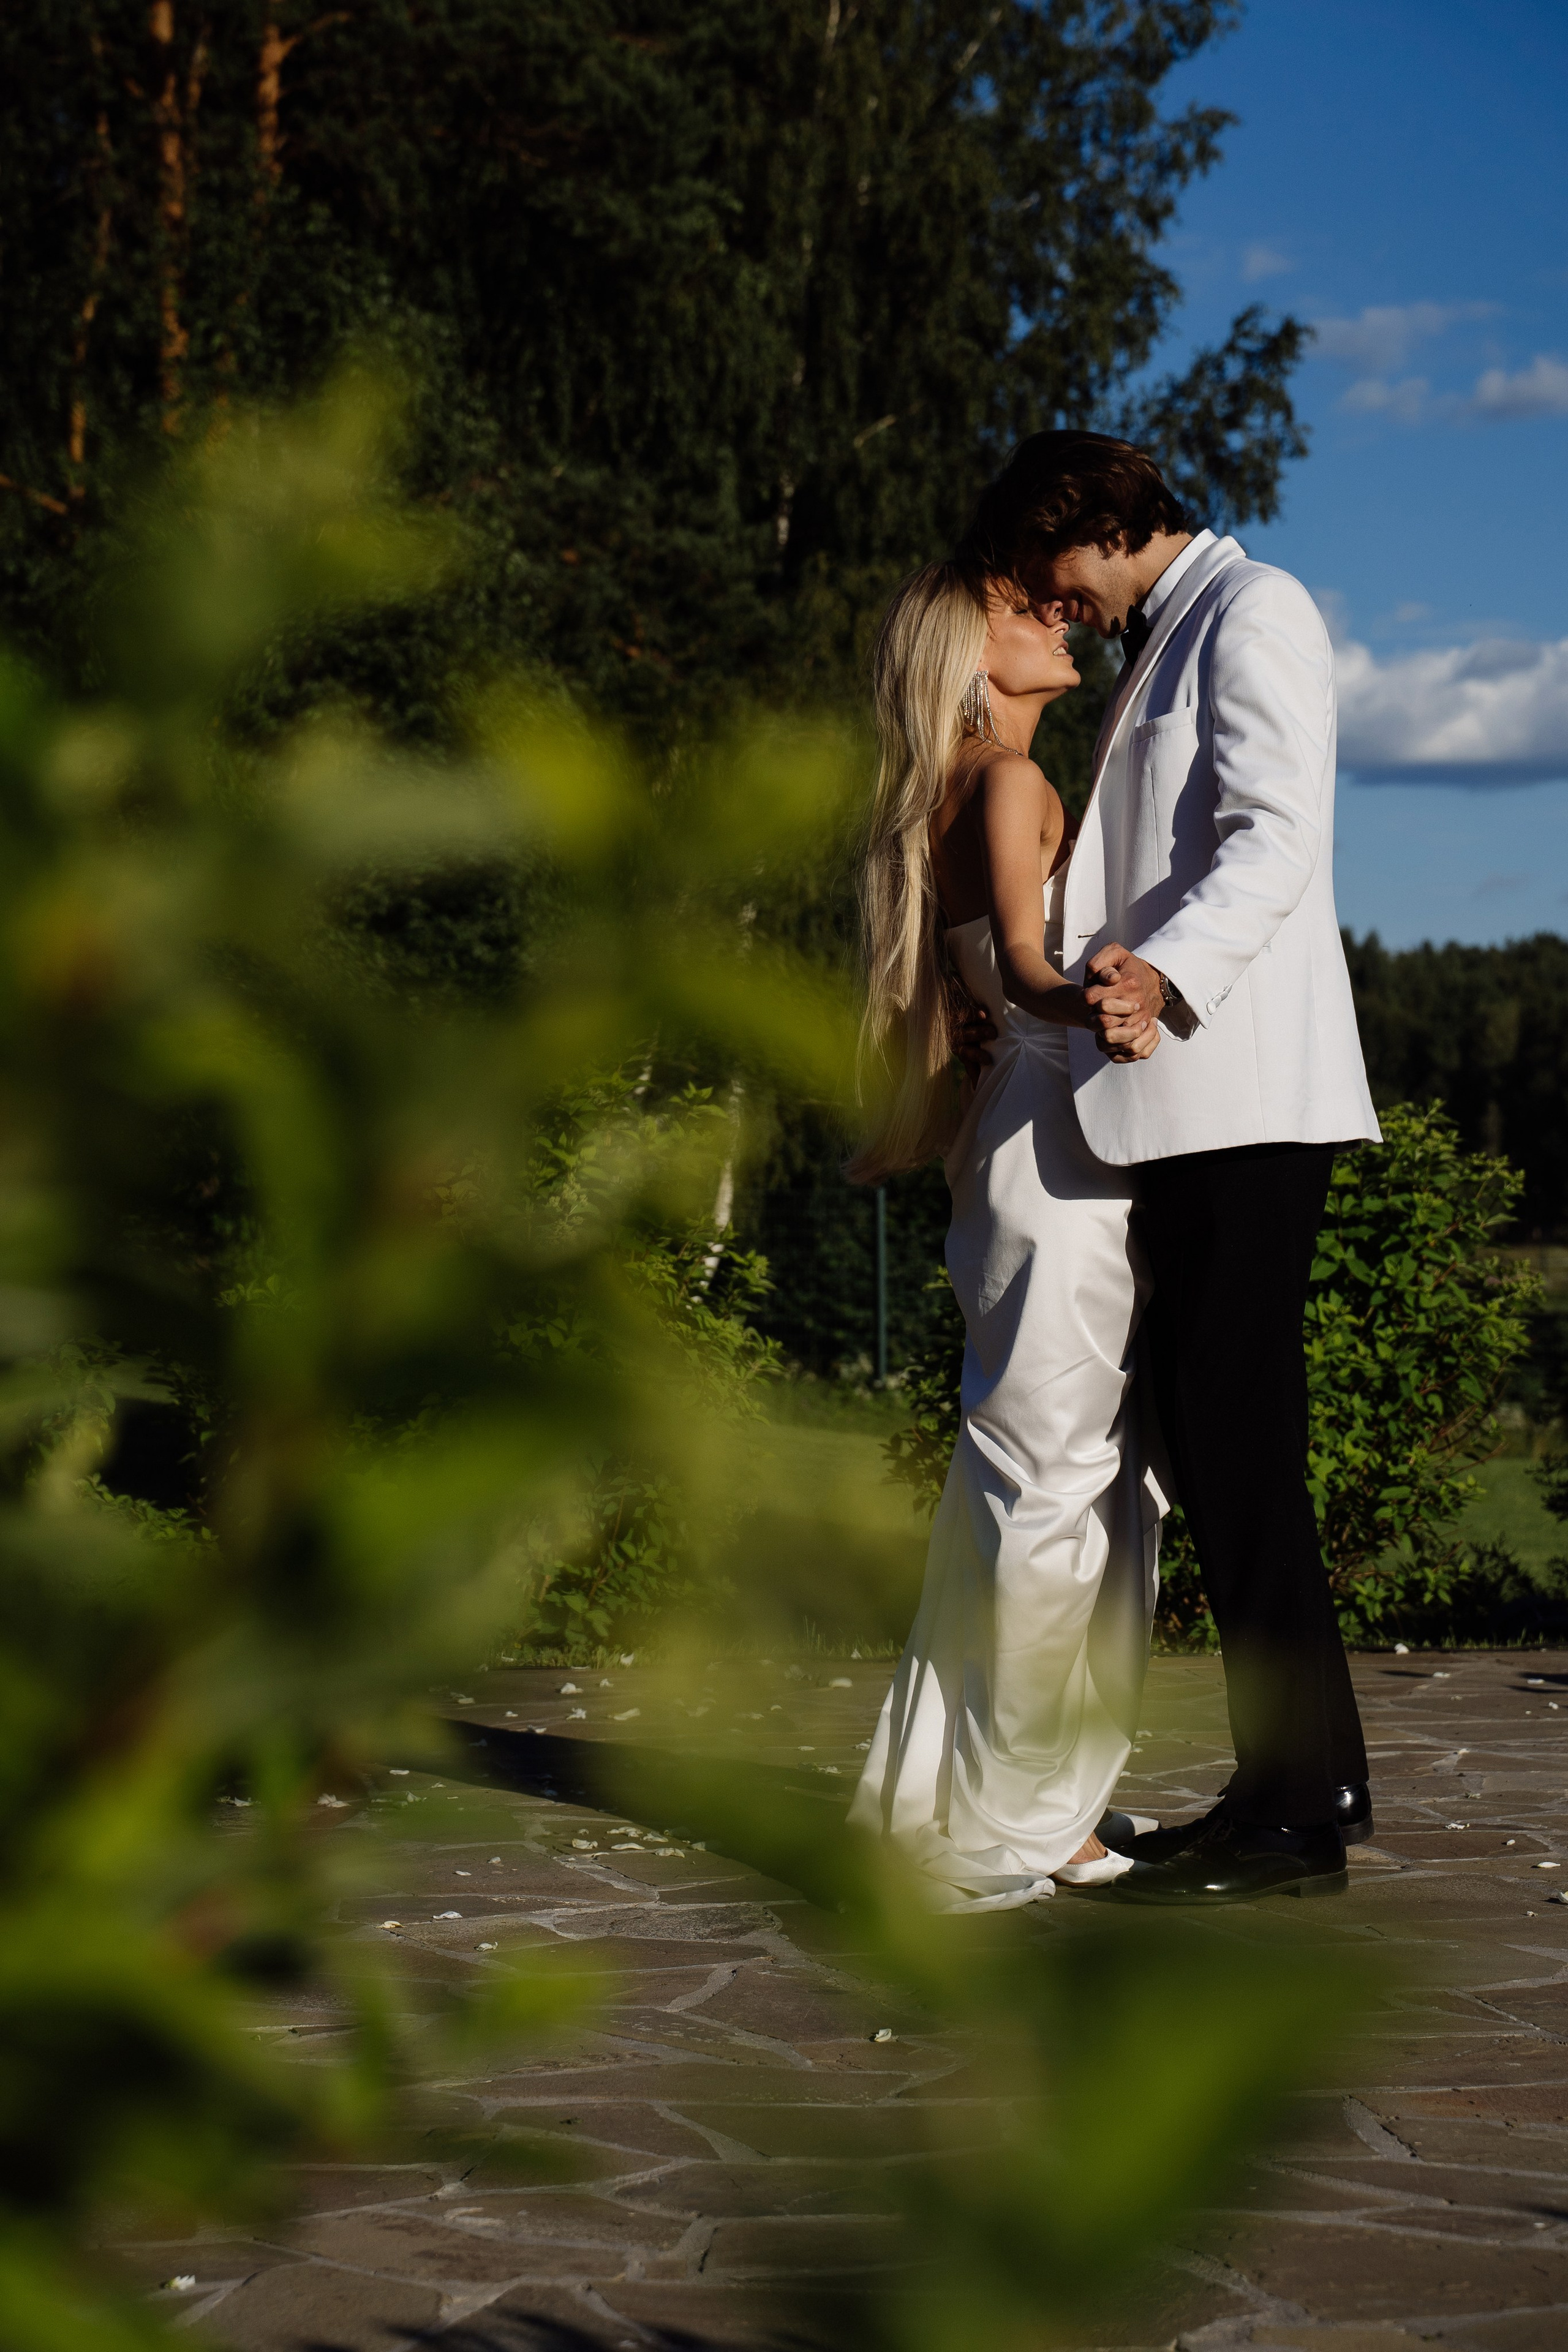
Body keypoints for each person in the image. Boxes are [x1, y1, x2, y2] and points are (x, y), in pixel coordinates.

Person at [957, 431, 1381, 1903]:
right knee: (1211, 1446)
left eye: (1045, 562)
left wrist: (1159, 977)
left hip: (1241, 1093)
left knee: (1236, 1442)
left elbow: (1274, 841)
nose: (1041, 594)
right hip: (1180, 1102)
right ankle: (1294, 1779)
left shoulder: (1253, 608)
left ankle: (1299, 1810)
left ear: (1104, 523)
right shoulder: (1168, 631)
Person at [844, 557, 1169, 1909]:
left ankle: (971, 1795)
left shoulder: (942, 794)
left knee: (1012, 1482)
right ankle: (1027, 1817)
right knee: (1063, 1484)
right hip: (1058, 1143)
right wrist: (1119, 993)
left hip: (1004, 1141)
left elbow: (985, 974)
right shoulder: (1012, 782)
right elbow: (1030, 969)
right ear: (966, 656)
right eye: (1020, 610)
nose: (1053, 616)